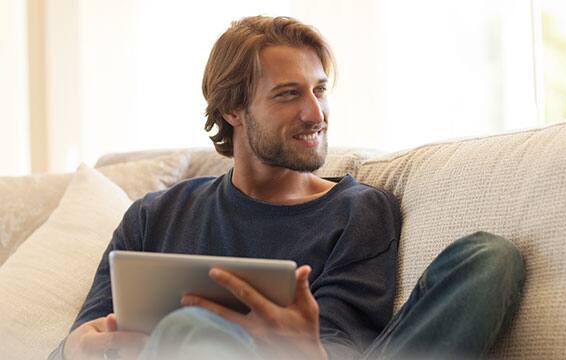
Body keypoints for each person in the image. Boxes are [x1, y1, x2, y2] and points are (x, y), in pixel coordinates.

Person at [49, 15, 525, 360]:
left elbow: (345, 344)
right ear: (233, 109)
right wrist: (78, 348)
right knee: (190, 326)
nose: (316, 114)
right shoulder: (154, 216)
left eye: (319, 90)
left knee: (487, 259)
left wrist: (302, 351)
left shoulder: (359, 212)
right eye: (288, 94)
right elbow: (77, 341)